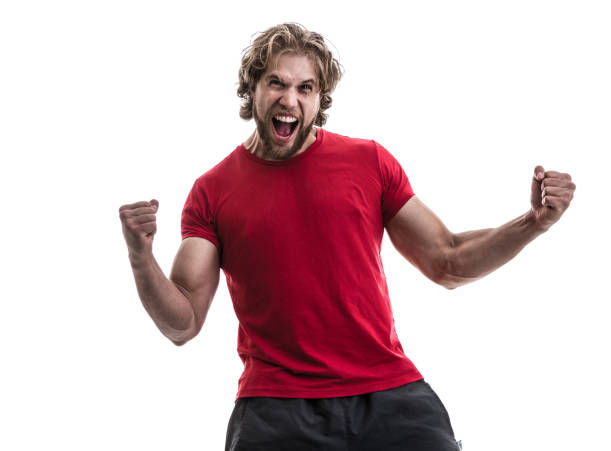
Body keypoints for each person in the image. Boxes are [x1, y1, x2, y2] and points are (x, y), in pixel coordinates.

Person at [119, 23, 576, 451]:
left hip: (389, 393)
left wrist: (534, 222)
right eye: (276, 83)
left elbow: (449, 261)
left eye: (306, 88)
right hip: (276, 406)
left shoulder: (369, 163)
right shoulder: (212, 190)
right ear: (252, 90)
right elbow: (183, 323)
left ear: (321, 98)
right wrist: (142, 258)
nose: (290, 100)